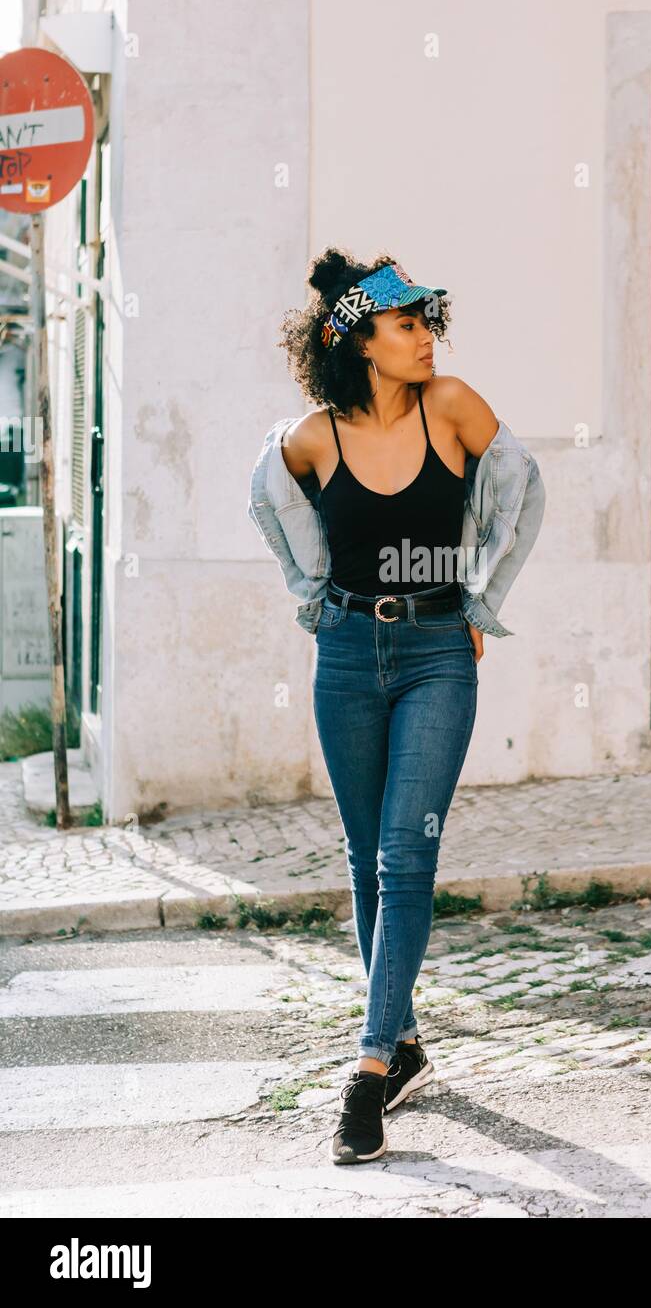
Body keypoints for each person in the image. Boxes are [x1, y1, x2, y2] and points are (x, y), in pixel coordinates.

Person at [255, 247, 545, 1164]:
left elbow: (520, 494)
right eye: (407, 324)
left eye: (427, 321)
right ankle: (408, 1038)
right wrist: (316, 599)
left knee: (406, 851)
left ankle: (370, 1068)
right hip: (345, 653)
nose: (426, 338)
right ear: (360, 343)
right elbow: (273, 507)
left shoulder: (452, 406)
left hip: (435, 655)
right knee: (364, 853)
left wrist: (477, 599)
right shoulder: (309, 438)